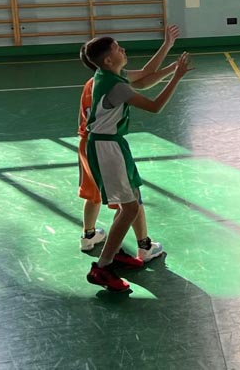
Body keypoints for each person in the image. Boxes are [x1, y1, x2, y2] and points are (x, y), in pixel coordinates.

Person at [81, 36, 191, 292]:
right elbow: (155, 106)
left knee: (131, 199)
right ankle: (102, 267)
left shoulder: (108, 74)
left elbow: (144, 77)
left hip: (113, 144)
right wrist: (177, 77)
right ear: (109, 60)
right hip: (106, 147)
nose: (123, 49)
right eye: (117, 48)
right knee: (129, 208)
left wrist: (171, 66)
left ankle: (116, 252)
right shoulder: (115, 85)